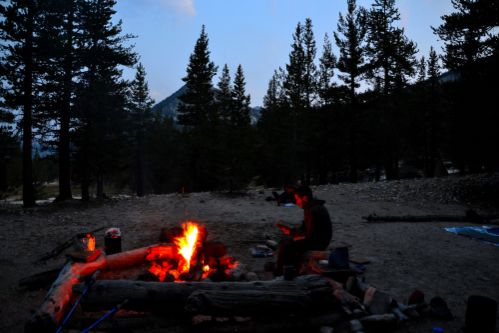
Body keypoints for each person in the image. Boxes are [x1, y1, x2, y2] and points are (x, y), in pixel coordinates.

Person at [273, 185, 332, 276]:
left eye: (297, 199)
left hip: (319, 242)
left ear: (304, 198)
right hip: (316, 238)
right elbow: (305, 228)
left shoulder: (313, 211)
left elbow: (311, 236)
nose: (296, 202)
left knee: (286, 247)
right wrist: (293, 231)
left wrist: (293, 233)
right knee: (285, 242)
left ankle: (280, 272)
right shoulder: (310, 207)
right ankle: (287, 267)